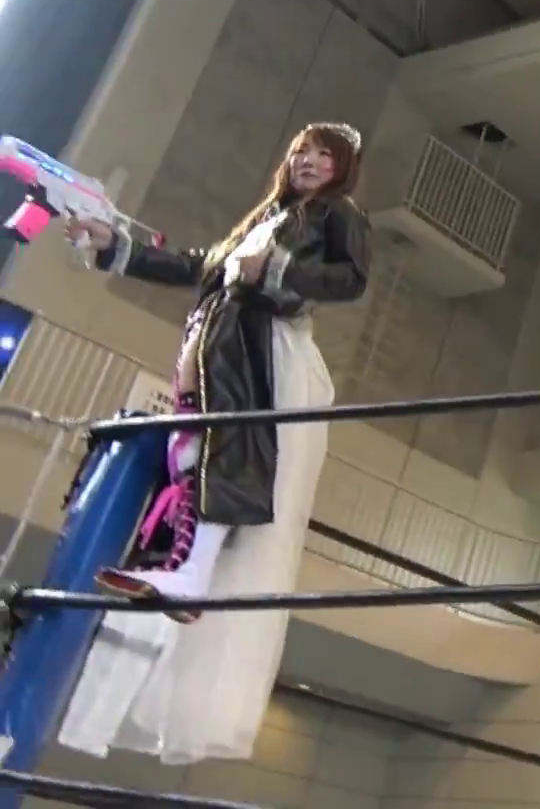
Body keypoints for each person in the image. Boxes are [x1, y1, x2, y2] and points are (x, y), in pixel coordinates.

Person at [56, 122, 370, 765]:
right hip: (216, 347)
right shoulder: (266, 215)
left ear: (341, 167)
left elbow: (351, 279)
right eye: (300, 151)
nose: (308, 161)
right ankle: (186, 569)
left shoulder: (337, 214)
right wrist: (117, 248)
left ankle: (194, 572)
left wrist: (277, 266)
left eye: (323, 154)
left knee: (225, 451)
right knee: (193, 456)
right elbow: (199, 264)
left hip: (260, 351)